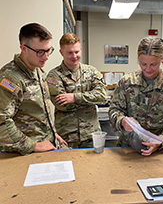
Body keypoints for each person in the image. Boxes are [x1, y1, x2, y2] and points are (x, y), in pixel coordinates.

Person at [109, 36, 163, 156]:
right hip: (127, 149)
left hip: (159, 151)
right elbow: (114, 110)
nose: (148, 69)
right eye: (143, 64)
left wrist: (161, 140)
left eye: (153, 64)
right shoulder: (127, 82)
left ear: (161, 60)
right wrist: (122, 121)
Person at [0, 23, 67, 155]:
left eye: (48, 50)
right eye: (40, 52)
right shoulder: (10, 78)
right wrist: (32, 145)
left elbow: (39, 112)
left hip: (46, 146)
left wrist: (53, 134)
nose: (46, 56)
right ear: (23, 48)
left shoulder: (37, 71)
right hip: (24, 153)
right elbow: (1, 120)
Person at [47, 33, 106, 148]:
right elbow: (62, 105)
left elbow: (101, 96)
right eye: (70, 53)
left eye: (77, 52)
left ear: (81, 50)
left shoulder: (91, 71)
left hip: (91, 135)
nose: (74, 56)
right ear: (61, 52)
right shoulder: (53, 76)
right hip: (67, 136)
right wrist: (89, 99)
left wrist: (74, 98)